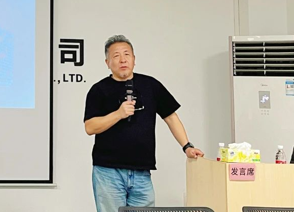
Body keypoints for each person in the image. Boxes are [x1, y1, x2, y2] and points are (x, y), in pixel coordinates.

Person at [84, 35, 204, 211]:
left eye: (127, 54)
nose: (122, 60)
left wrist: (187, 146)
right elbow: (90, 127)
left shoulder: (151, 85)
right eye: (116, 56)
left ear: (134, 59)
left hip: (142, 171)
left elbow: (171, 117)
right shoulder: (99, 90)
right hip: (108, 171)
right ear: (107, 62)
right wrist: (118, 114)